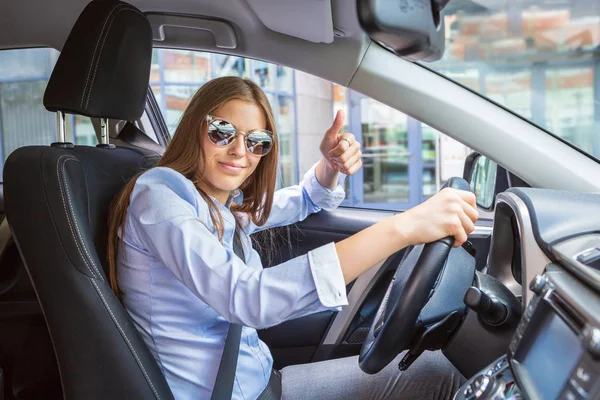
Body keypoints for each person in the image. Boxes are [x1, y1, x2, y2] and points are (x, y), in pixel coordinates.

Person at [107, 76, 478, 400]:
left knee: (438, 371)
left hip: (262, 385)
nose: (240, 150)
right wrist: (404, 227)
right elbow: (248, 298)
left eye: (257, 141)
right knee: (441, 379)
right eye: (222, 131)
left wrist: (330, 166)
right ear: (193, 130)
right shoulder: (161, 195)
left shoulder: (220, 207)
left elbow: (303, 199)